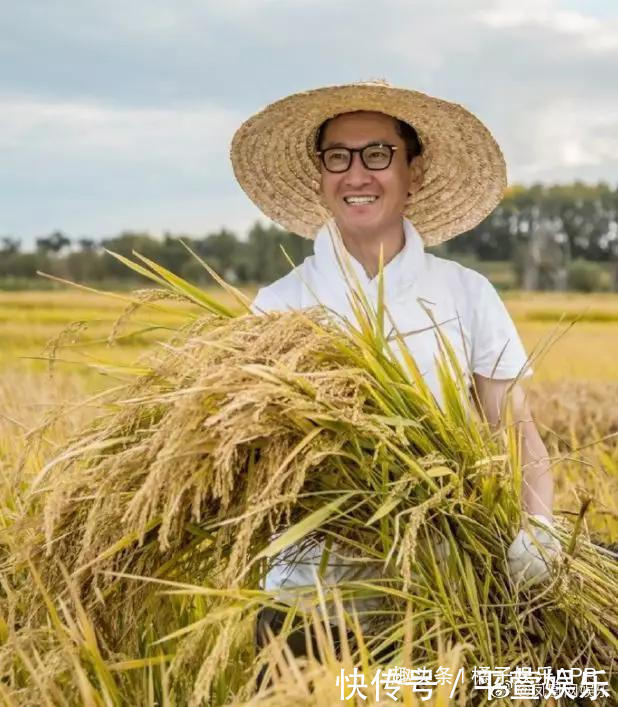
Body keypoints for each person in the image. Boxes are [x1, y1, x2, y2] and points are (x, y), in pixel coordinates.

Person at [230, 80, 561, 657]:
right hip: (307, 606)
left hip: (444, 598)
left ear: (415, 171)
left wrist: (539, 526)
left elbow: (515, 430)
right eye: (338, 156)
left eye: (378, 154)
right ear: (320, 175)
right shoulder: (277, 306)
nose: (357, 174)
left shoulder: (466, 293)